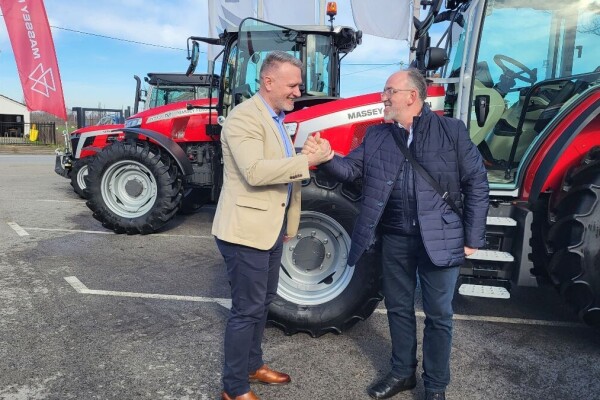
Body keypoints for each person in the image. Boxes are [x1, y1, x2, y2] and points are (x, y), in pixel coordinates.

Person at [303, 68, 489, 400]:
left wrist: (473, 237)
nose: (383, 97)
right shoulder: (378, 135)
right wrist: (327, 157)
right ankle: (402, 373)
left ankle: (435, 386)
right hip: (395, 237)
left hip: (440, 238)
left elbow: (476, 183)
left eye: (389, 91)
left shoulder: (451, 131)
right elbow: (351, 170)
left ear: (412, 96)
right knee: (398, 309)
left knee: (439, 316)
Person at [212, 51, 333, 400]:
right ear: (268, 81)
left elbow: (278, 165)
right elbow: (255, 172)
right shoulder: (243, 118)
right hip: (245, 232)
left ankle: (252, 366)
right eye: (292, 85)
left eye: (299, 85)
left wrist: (305, 152)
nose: (298, 91)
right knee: (246, 309)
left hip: (269, 228)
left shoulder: (275, 118)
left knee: (262, 302)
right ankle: (234, 388)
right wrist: (305, 160)